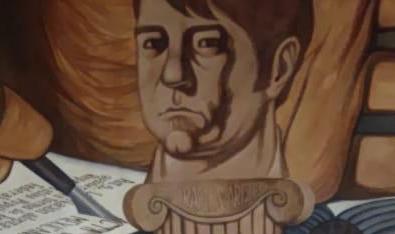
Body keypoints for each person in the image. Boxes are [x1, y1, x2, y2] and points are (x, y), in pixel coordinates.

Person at [135, 0, 314, 182]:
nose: (173, 75)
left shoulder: (317, 197)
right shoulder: (119, 190)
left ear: (279, 69)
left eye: (206, 43)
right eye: (152, 43)